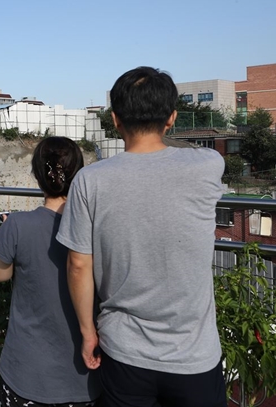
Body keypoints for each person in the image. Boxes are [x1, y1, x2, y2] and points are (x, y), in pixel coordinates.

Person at [57, 66, 227, 407]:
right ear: (173, 118)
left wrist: (88, 332)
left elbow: (78, 265)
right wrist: (162, 128)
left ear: (115, 119)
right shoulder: (208, 163)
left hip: (124, 352)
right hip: (194, 355)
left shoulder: (90, 181)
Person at [0, 136, 100, 407]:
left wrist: (9, 237)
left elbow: (0, 274)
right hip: (85, 379)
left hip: (26, 375)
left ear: (38, 176)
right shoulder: (95, 228)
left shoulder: (17, 225)